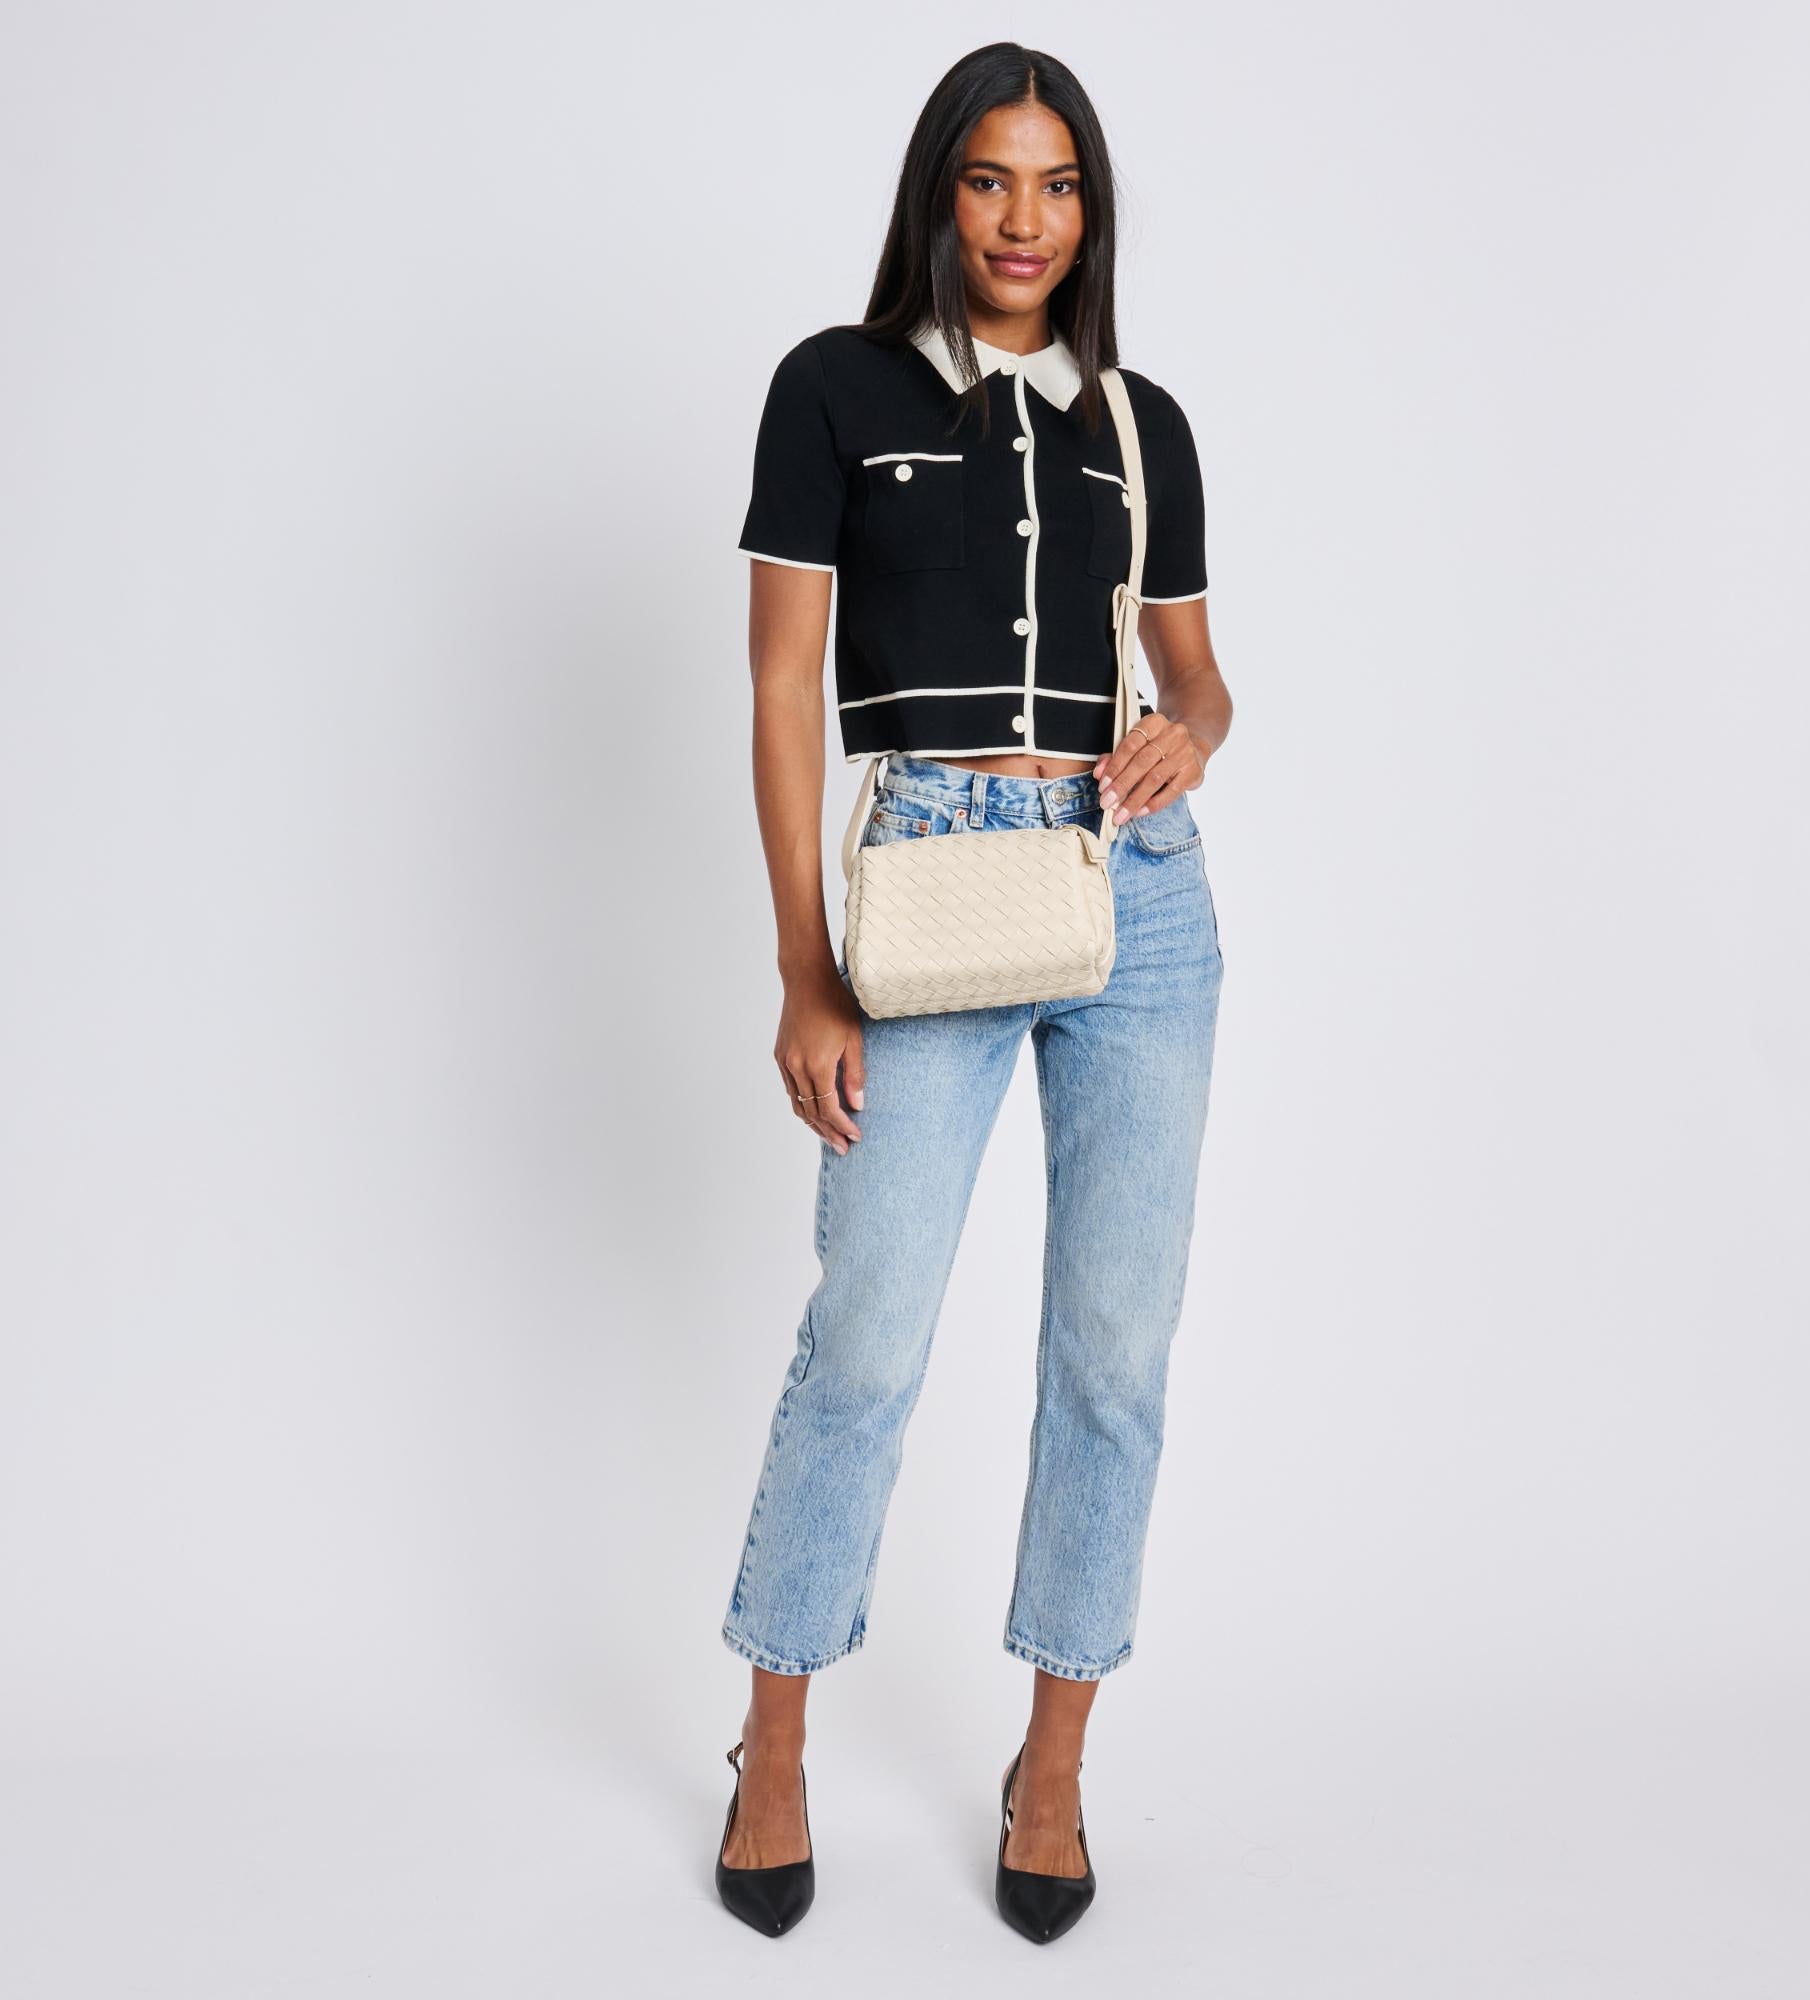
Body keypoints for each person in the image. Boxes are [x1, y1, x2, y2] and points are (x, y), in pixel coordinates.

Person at [714, 40, 1234, 1945]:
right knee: (867, 1337)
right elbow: (783, 682)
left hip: (1136, 900)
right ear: (942, 191)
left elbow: (1198, 671)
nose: (1028, 220)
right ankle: (774, 1740)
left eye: (1061, 184)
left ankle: (1056, 1763)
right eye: (993, 179)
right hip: (928, 884)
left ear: (1092, 211)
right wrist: (805, 963)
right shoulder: (834, 389)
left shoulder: (1142, 422)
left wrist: (1193, 730)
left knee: (1114, 1349)